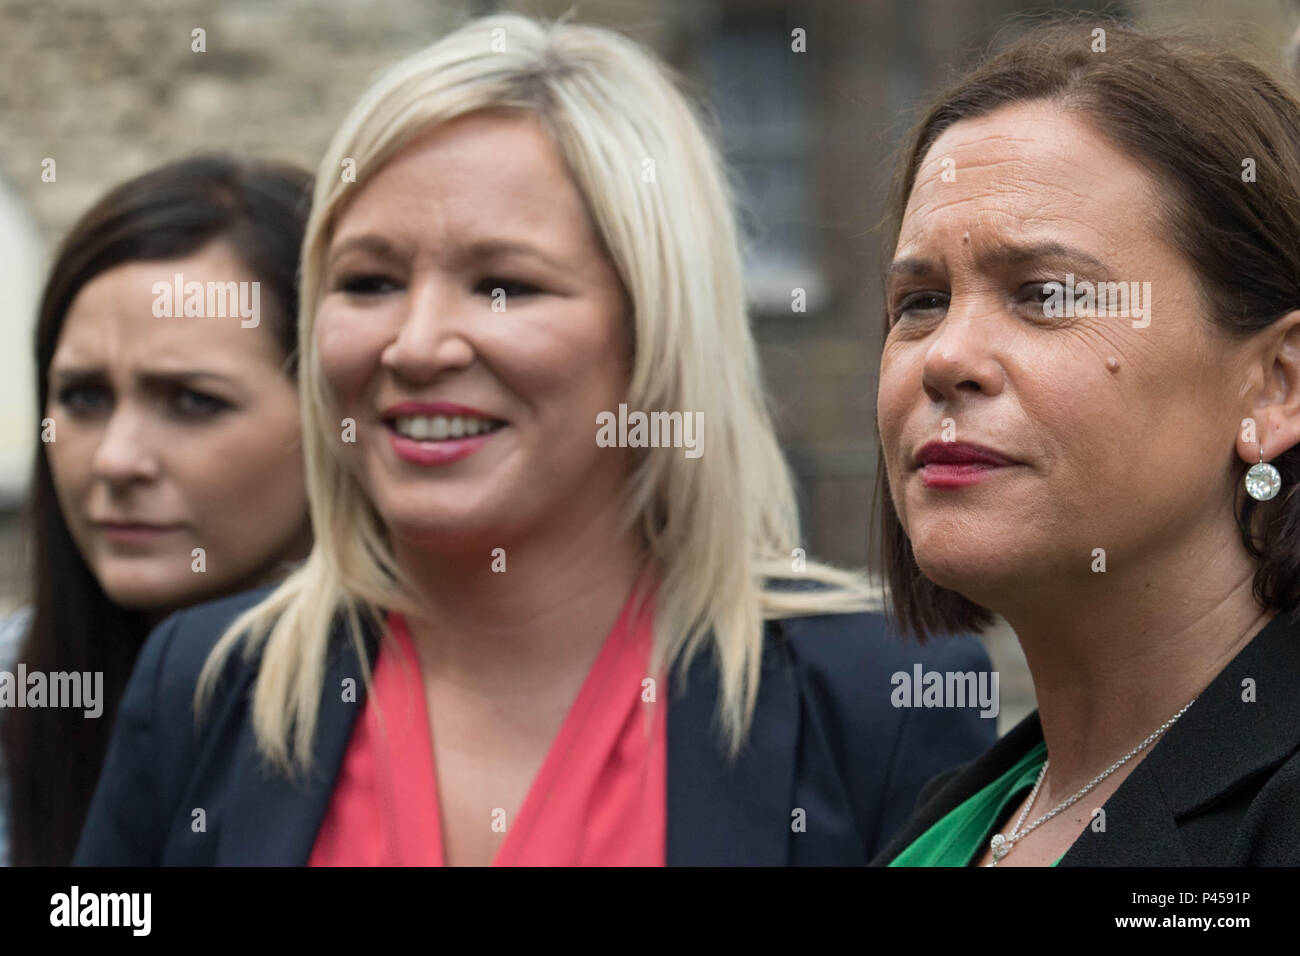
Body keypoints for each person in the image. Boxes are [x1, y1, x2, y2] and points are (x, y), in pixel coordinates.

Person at [75, 13, 993, 867]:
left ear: (652, 329)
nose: (418, 344)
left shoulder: (880, 697)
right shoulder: (207, 681)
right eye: (367, 282)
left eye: (503, 285)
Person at [872, 21, 1300, 866]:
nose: (947, 357)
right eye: (919, 302)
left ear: (1274, 385)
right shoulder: (949, 823)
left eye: (1043, 293)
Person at [0, 156, 314, 866]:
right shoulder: (19, 689)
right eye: (83, 397)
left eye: (192, 401)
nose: (116, 459)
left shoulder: (430, 716)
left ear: (330, 417)